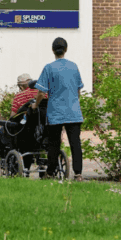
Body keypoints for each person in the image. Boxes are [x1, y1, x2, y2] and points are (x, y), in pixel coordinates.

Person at [31, 37, 85, 181]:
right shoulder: (74, 67)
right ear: (66, 50)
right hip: (74, 112)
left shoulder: (49, 68)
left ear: (53, 50)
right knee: (75, 143)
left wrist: (35, 105)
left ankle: (50, 172)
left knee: (54, 144)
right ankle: (78, 174)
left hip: (55, 112)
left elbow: (41, 92)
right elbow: (78, 90)